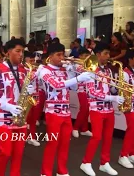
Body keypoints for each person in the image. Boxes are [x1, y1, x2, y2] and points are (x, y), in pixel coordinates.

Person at [38, 43, 93, 176]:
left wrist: (70, 73)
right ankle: (45, 172)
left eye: (63, 54)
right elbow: (56, 85)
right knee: (53, 144)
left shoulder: (63, 69)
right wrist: (78, 78)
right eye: (58, 55)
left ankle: (62, 171)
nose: (62, 57)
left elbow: (72, 88)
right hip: (53, 113)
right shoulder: (44, 70)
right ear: (50, 56)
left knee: (65, 144)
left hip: (66, 112)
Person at [0, 39, 35, 176]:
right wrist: (8, 107)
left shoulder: (24, 70)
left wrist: (30, 91)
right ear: (8, 52)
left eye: (22, 52)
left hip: (20, 117)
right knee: (5, 152)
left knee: (19, 153)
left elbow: (24, 91)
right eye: (17, 51)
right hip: (4, 117)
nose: (21, 55)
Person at [80, 42, 125, 176]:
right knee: (97, 137)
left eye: (108, 53)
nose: (108, 56)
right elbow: (92, 92)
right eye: (105, 53)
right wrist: (112, 98)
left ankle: (104, 163)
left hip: (109, 109)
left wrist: (116, 87)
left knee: (108, 137)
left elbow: (109, 88)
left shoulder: (108, 70)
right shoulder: (90, 69)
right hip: (96, 108)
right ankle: (86, 162)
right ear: (98, 54)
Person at [72, 48, 93, 138]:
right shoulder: (77, 65)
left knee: (87, 109)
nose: (86, 58)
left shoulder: (89, 64)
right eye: (84, 56)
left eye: (88, 56)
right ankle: (75, 128)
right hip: (81, 90)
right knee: (84, 109)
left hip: (89, 89)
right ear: (80, 56)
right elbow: (84, 71)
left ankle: (84, 129)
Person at [23, 51, 41, 147]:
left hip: (35, 95)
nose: (32, 60)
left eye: (33, 59)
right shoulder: (21, 69)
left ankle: (32, 137)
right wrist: (38, 71)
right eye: (30, 58)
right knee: (25, 118)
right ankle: (23, 136)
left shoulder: (35, 69)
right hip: (25, 96)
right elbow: (29, 78)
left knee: (33, 118)